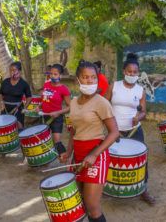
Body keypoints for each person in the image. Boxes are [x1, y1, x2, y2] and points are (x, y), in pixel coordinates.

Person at [60, 61, 119, 222]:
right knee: (79, 201)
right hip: (78, 155)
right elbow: (73, 130)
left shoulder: (101, 102)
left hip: (96, 155)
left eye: (93, 77)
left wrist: (94, 155)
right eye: (85, 77)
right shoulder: (73, 102)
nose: (90, 81)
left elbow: (114, 133)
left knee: (92, 207)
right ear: (77, 80)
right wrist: (68, 152)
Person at [104, 53, 156, 204]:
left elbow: (143, 111)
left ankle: (143, 191)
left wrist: (137, 118)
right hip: (115, 131)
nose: (132, 74)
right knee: (112, 160)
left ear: (138, 73)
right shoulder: (114, 86)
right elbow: (104, 105)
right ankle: (108, 188)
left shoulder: (140, 91)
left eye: (135, 72)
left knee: (140, 161)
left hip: (135, 131)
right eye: (129, 72)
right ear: (124, 72)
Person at [34, 64, 70, 155]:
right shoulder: (46, 84)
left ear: (61, 75)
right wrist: (39, 106)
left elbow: (70, 106)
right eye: (51, 74)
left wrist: (58, 113)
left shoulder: (64, 89)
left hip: (56, 119)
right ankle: (45, 164)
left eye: (55, 74)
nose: (52, 76)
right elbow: (45, 99)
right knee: (42, 141)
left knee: (57, 142)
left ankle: (65, 162)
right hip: (44, 117)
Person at [0, 61, 32, 129]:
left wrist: (25, 108)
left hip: (18, 109)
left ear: (19, 71)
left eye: (14, 70)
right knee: (6, 128)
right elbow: (0, 93)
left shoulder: (23, 84)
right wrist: (1, 102)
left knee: (19, 128)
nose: (12, 72)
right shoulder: (5, 82)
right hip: (5, 109)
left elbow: (29, 97)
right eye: (10, 70)